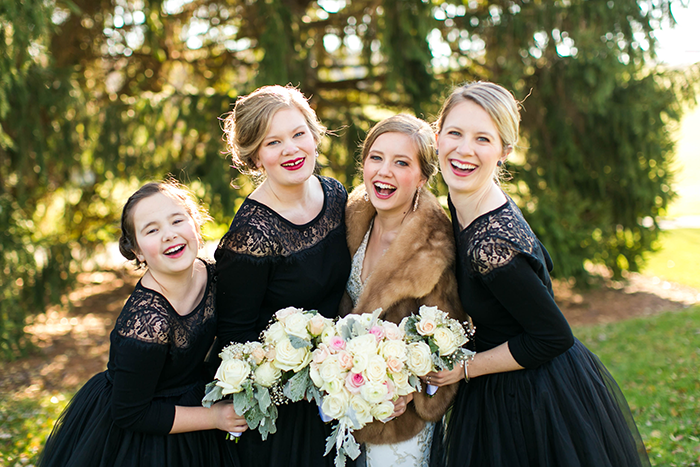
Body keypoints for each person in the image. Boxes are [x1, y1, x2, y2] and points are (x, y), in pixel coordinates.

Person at [425, 81, 651, 467]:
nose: (464, 149)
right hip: (499, 378)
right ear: (438, 135)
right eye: (455, 133)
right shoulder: (466, 197)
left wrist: (463, 369)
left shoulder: (491, 245)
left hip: (527, 395)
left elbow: (553, 335)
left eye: (483, 138)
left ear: (504, 152)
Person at [38, 181, 247, 467]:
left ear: (195, 226)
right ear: (137, 251)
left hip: (193, 397)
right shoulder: (145, 321)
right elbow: (129, 413)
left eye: (177, 220)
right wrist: (213, 417)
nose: (169, 234)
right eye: (152, 230)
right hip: (142, 427)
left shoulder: (213, 275)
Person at [214, 85, 351, 467]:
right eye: (273, 142)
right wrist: (292, 374)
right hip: (281, 407)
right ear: (256, 157)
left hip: (339, 383)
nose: (291, 149)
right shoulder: (251, 237)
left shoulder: (335, 195)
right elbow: (234, 337)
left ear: (313, 135)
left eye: (298, 133)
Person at [338, 114, 468, 467]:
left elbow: (449, 341)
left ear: (423, 176)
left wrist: (411, 390)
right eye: (376, 157)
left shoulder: (434, 247)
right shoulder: (350, 218)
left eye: (401, 162)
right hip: (344, 410)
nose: (384, 171)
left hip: (400, 423)